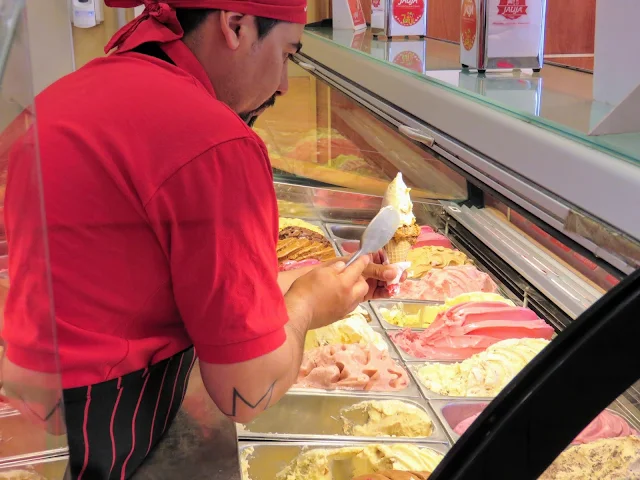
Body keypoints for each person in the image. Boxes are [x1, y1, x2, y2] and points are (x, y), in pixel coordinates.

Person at [0, 1, 403, 479]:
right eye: (287, 54)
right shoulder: (216, 142)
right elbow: (245, 393)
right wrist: (308, 305)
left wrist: (281, 284)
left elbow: (131, 267)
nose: (283, 85)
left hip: (41, 406)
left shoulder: (64, 96)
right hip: (111, 433)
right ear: (235, 25)